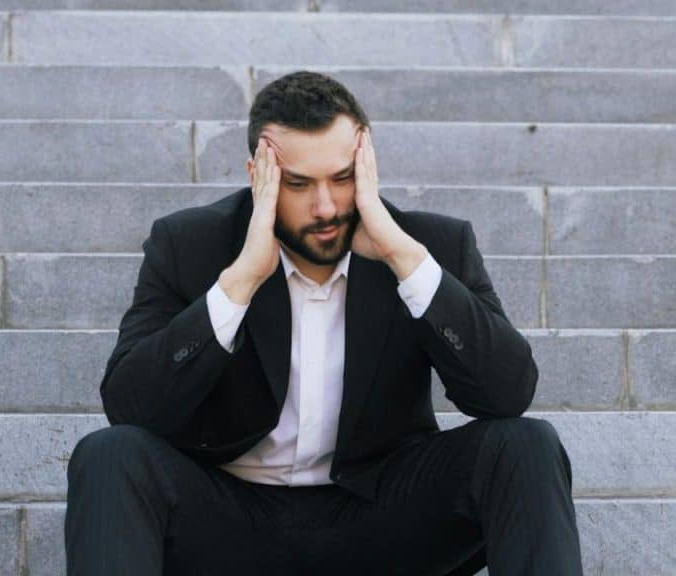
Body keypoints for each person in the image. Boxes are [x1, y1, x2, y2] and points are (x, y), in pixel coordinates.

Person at [65, 71, 583, 575]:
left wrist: (405, 261)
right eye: (297, 184)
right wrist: (239, 283)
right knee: (110, 456)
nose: (326, 206)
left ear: (367, 161)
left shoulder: (430, 247)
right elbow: (130, 406)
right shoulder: (190, 246)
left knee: (525, 445)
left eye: (342, 178)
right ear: (258, 176)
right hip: (230, 521)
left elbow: (507, 393)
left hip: (381, 517)